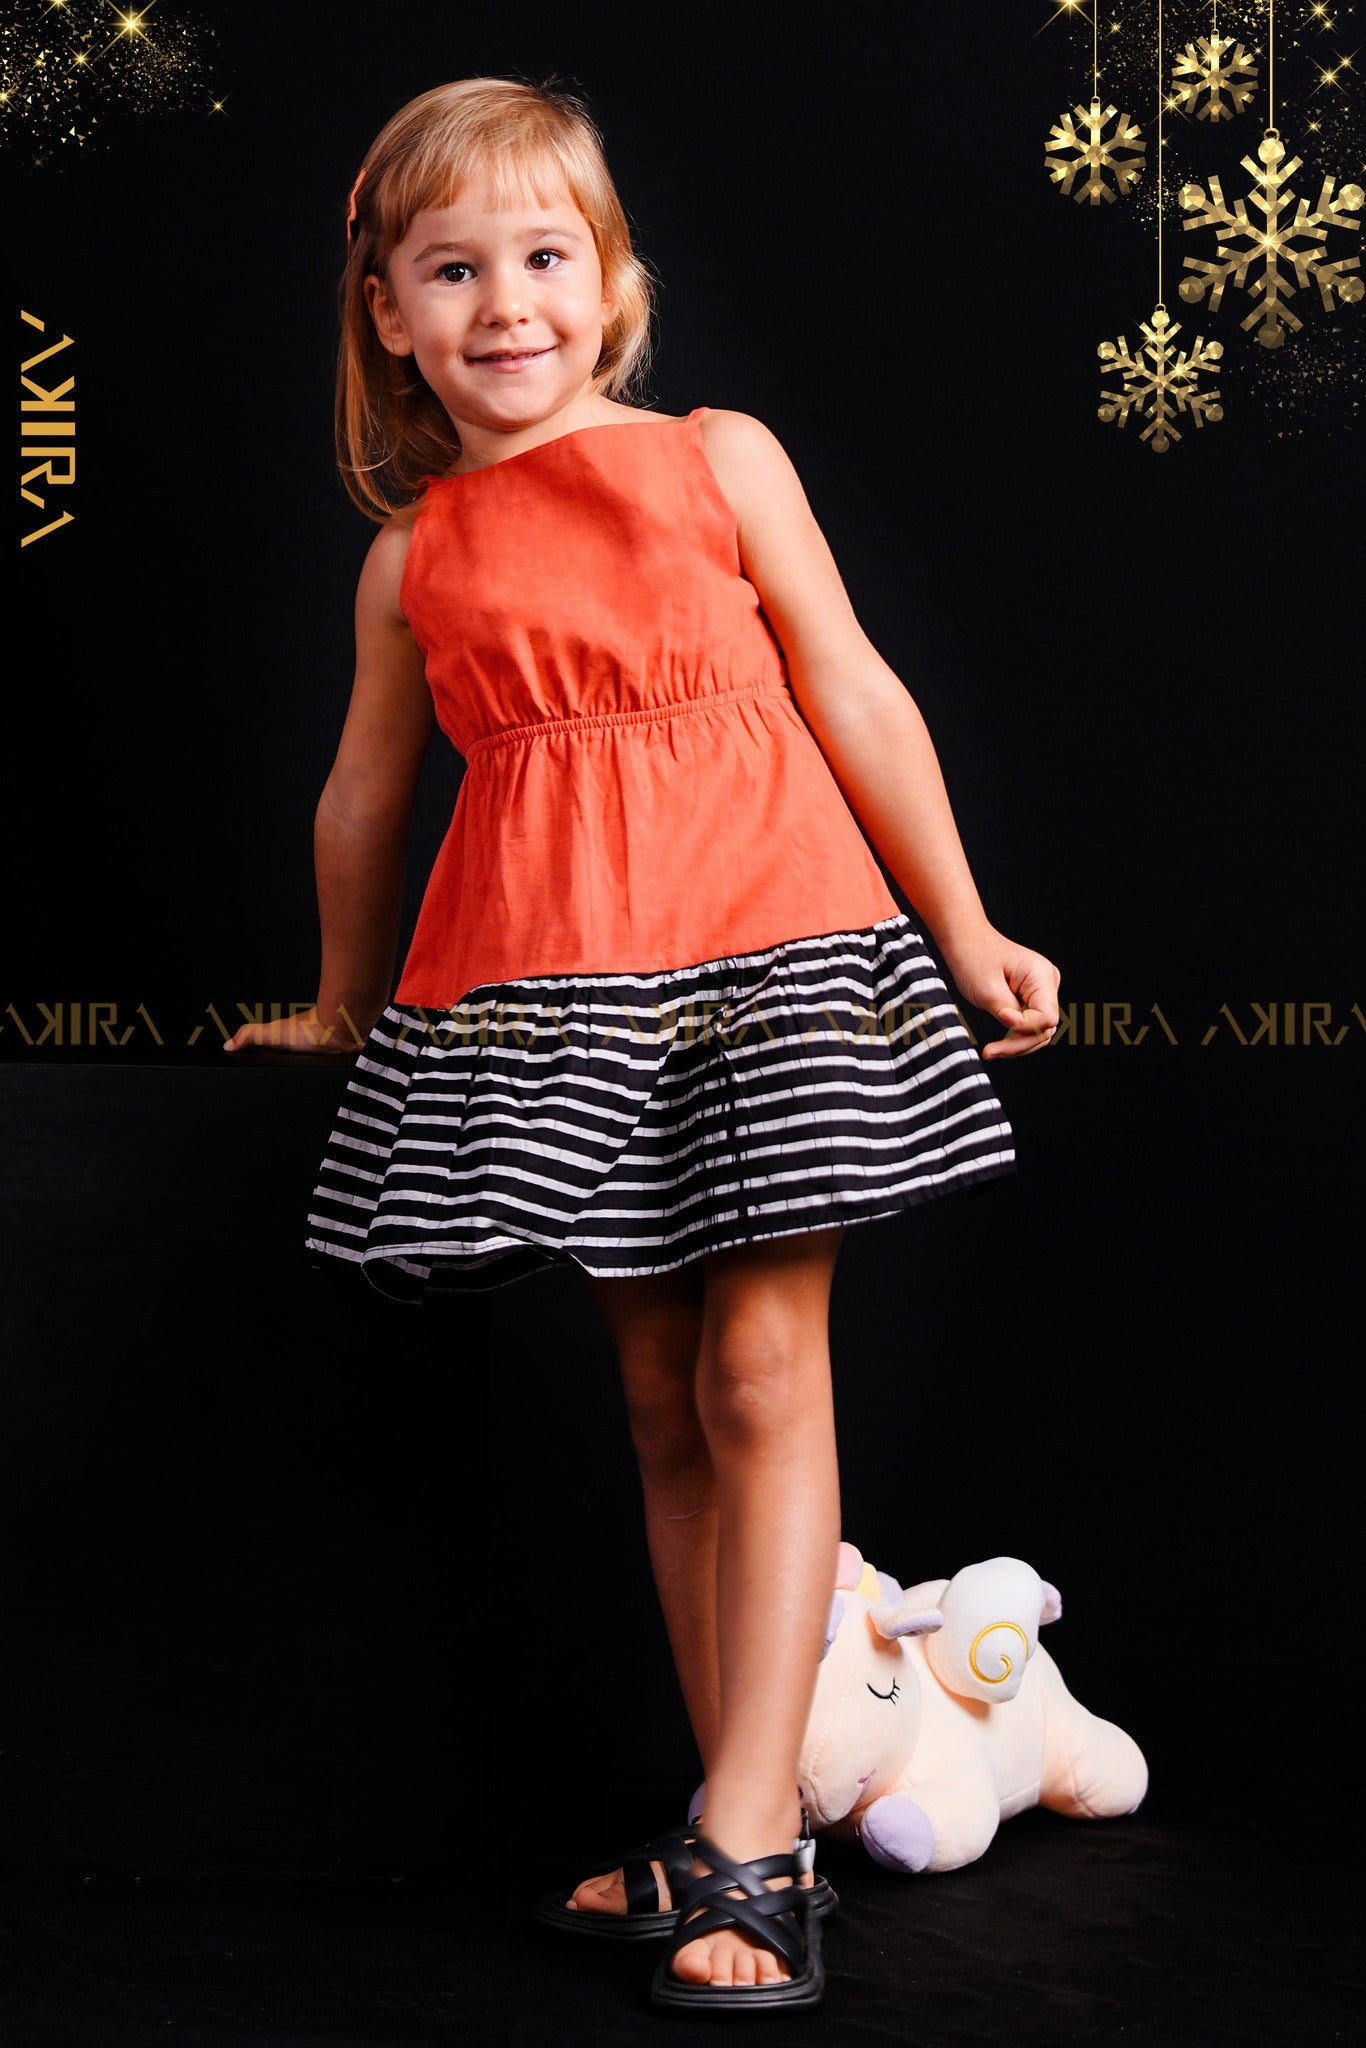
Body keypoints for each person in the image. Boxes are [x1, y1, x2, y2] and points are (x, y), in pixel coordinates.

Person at [223, 75, 1060, 2015]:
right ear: (388, 315)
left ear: (610, 284)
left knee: (764, 1373)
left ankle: (751, 1840)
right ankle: (741, 1815)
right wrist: (343, 997)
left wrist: (962, 924)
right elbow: (363, 796)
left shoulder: (715, 459)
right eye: (452, 271)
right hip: (561, 986)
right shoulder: (414, 555)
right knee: (663, 1398)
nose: (505, 304)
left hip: (770, 951)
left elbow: (850, 684)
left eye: (544, 258)